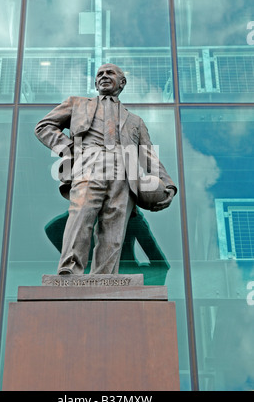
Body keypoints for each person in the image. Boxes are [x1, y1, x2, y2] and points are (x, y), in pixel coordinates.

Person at [34, 63, 177, 275]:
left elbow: (149, 156)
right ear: (95, 83)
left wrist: (168, 184)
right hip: (90, 164)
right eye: (100, 74)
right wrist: (71, 150)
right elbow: (43, 127)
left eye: (110, 73)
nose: (104, 76)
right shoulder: (77, 104)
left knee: (114, 225)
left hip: (124, 172)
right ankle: (70, 271)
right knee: (81, 214)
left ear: (122, 82)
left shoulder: (135, 121)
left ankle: (104, 277)